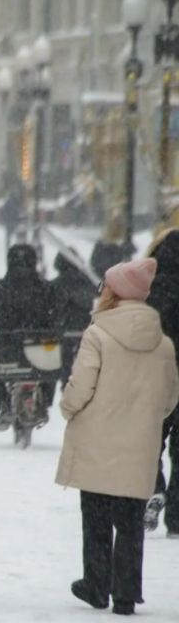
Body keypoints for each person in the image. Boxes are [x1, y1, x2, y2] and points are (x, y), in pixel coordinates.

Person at [56, 258, 179, 616]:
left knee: (94, 515)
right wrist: (147, 420)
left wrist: (67, 408)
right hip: (139, 443)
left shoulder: (99, 333)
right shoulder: (163, 342)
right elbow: (171, 396)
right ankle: (126, 592)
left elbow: (82, 385)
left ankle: (96, 585)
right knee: (129, 521)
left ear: (115, 292)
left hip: (97, 437)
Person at [0, 243, 61, 430]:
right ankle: (46, 402)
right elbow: (57, 315)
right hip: (40, 352)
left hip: (8, 352)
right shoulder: (46, 289)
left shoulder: (0, 288)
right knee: (53, 368)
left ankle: (4, 405)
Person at [143, 229, 179, 536]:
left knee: (150, 439)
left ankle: (152, 487)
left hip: (157, 373)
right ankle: (177, 519)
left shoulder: (147, 287)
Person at [50, 250, 95, 387]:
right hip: (85, 328)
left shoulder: (54, 285)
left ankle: (67, 386)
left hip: (63, 330)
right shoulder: (88, 283)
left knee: (65, 360)